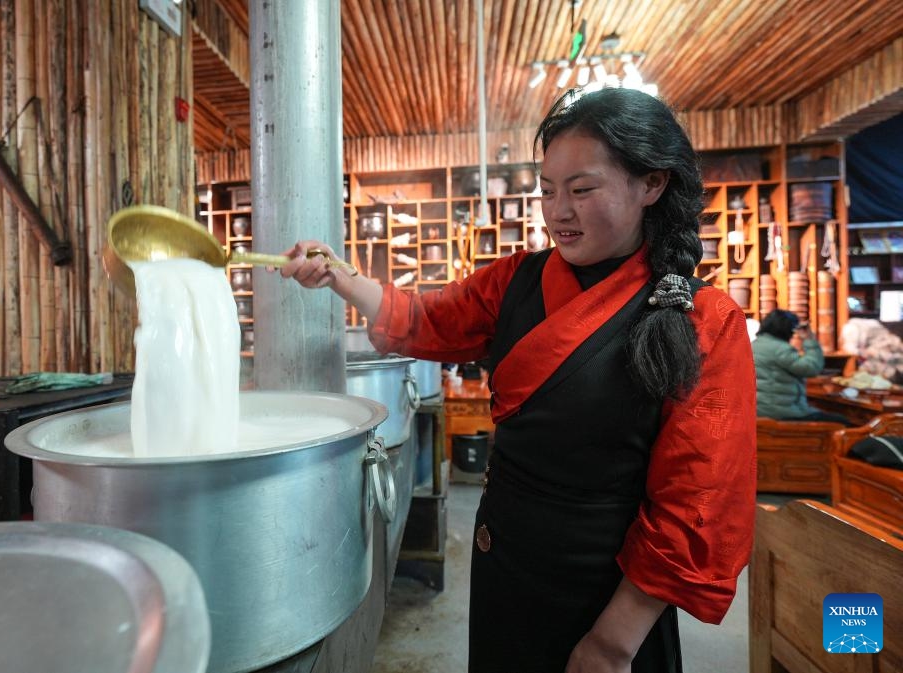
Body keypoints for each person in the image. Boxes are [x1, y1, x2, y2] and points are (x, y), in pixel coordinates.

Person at [277, 87, 756, 673]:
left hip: (607, 593)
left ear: (651, 185)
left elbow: (696, 501)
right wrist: (339, 275)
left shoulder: (705, 320)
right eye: (547, 191)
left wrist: (612, 642)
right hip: (505, 560)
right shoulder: (515, 281)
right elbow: (426, 319)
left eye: (582, 190)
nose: (558, 212)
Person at [753, 308, 850, 424]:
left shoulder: (752, 346)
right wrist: (809, 339)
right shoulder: (780, 349)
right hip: (783, 413)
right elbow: (811, 368)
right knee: (842, 422)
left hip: (758, 412)